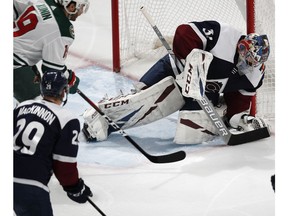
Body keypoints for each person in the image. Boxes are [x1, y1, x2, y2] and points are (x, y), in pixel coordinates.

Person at [82, 20, 270, 144]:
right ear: (242, 46)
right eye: (247, 56)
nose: (249, 63)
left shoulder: (254, 75)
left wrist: (238, 118)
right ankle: (100, 115)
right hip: (173, 70)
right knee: (145, 101)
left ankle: (215, 112)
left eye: (254, 61)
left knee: (188, 136)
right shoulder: (224, 35)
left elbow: (239, 101)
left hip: (202, 95)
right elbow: (184, 32)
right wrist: (192, 64)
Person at [14, 71, 92, 216]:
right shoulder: (67, 119)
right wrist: (74, 188)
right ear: (63, 92)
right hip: (31, 184)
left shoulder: (22, 106)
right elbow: (64, 165)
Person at [13, 0, 90, 103]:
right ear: (71, 7)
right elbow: (52, 70)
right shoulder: (63, 29)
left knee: (33, 75)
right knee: (39, 105)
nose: (81, 12)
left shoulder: (43, 2)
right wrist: (69, 79)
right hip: (14, 63)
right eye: (81, 8)